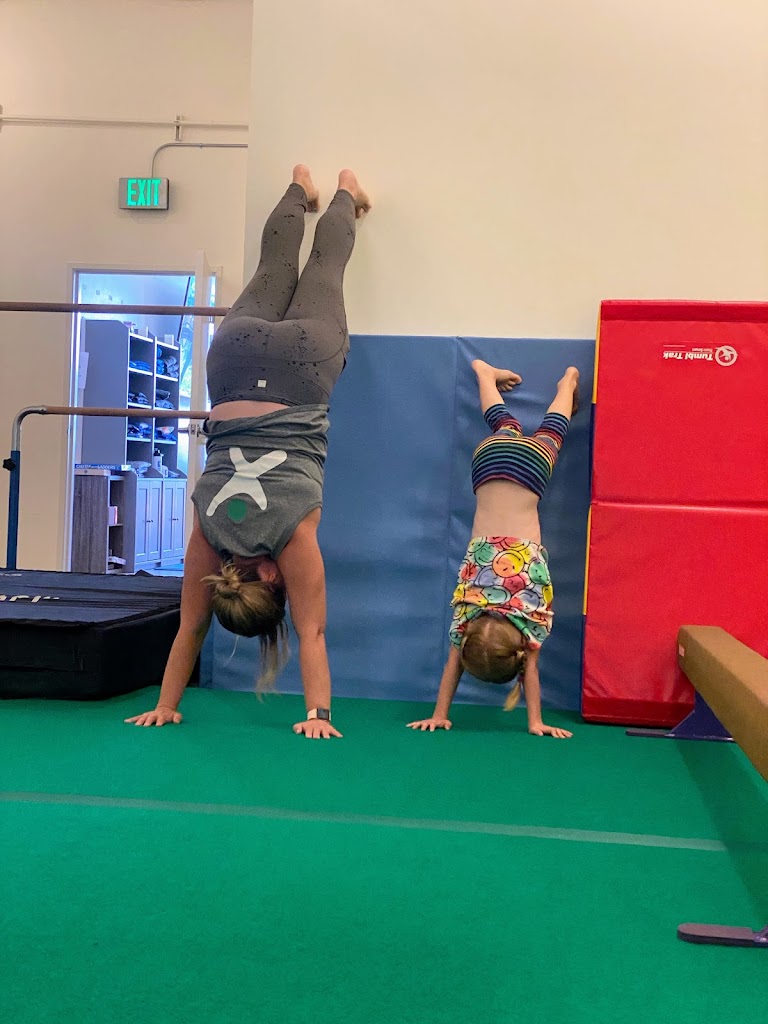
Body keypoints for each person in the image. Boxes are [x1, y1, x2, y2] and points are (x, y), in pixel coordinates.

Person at [126, 165, 370, 739]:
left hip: (305, 368)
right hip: (233, 358)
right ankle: (299, 187)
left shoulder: (293, 538)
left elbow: (311, 633)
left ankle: (346, 192)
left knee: (325, 269)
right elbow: (189, 629)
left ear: (272, 579)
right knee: (273, 265)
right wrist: (165, 704)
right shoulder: (209, 534)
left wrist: (318, 715)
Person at [407, 359, 579, 738]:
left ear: (520, 654)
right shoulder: (468, 612)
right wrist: (439, 714)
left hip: (530, 471)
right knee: (505, 427)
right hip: (488, 459)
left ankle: (567, 383)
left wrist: (535, 721)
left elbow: (530, 670)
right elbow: (453, 664)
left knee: (552, 432)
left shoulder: (531, 620)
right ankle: (485, 376)